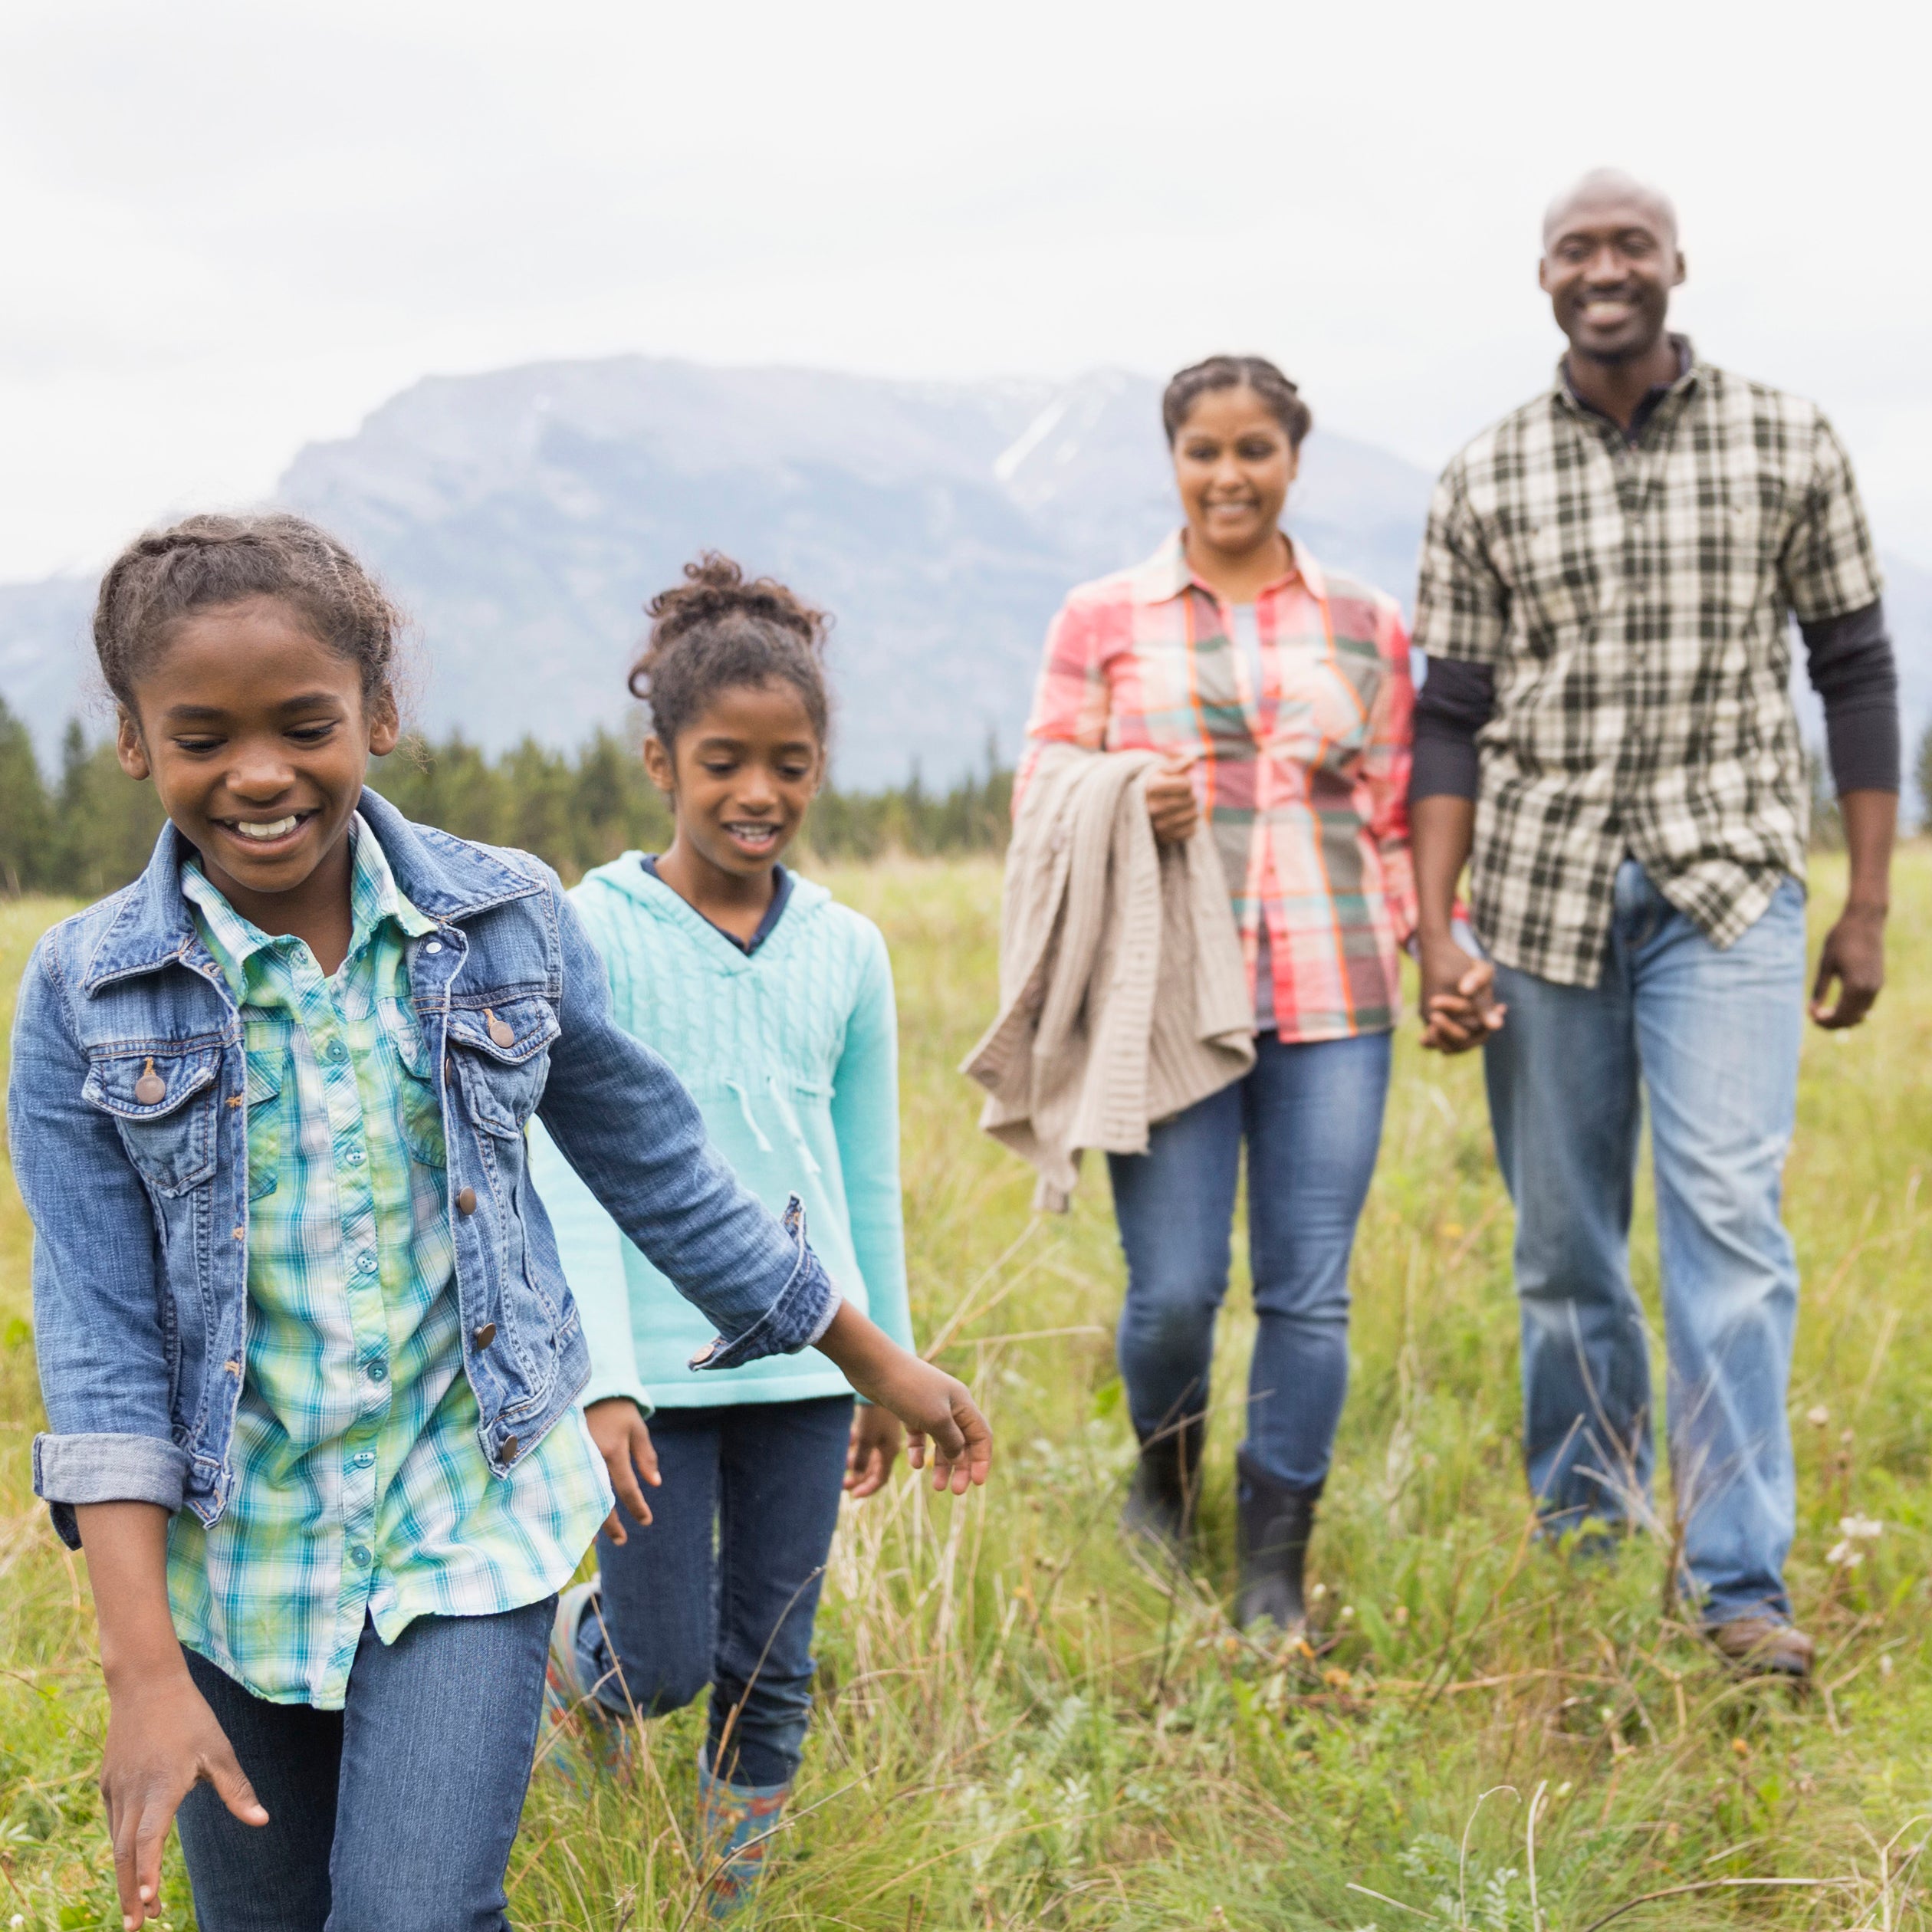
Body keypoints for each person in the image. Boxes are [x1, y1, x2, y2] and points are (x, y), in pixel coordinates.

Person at [7, 514, 992, 1932]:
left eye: (306, 724)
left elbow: (660, 1166)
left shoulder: (504, 921)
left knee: (409, 1914)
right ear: (133, 739)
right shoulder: (85, 990)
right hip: (236, 1557)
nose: (262, 774)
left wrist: (865, 1352)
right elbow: (98, 1333)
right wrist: (140, 1668)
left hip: (463, 1515)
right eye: (203, 735)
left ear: (380, 714)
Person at [1409, 170, 1899, 1680]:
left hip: (1730, 892)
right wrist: (1435, 929)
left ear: (1676, 264)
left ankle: (1740, 1591)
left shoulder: (1787, 437)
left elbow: (1859, 670)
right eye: (1578, 248)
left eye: (1631, 245)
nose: (1605, 268)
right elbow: (1446, 718)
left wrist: (1871, 901)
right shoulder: (1485, 472)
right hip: (1543, 900)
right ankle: (1590, 1551)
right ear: (1543, 276)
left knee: (1730, 1232)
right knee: (1564, 1255)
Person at [528, 554, 918, 1917]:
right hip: (654, 1379)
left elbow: (867, 1178)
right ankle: (571, 1672)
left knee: (774, 1659)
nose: (760, 794)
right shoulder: (590, 930)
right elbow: (562, 1163)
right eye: (724, 763)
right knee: (666, 1658)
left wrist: (884, 1365)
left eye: (791, 765)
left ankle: (722, 1902)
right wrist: (603, 1375)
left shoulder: (849, 949)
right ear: (661, 760)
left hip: (810, 1372)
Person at [1020, 356, 1415, 1634]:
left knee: (1309, 1290)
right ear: (1173, 460)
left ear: (1293, 456)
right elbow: (1042, 795)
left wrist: (1432, 947)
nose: (1229, 474)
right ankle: (1165, 1473)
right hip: (1167, 996)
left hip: (1332, 986)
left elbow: (1397, 812)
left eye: (1255, 449)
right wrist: (1129, 785)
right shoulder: (1104, 616)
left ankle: (1271, 1566)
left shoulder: (1364, 622)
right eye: (1204, 451)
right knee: (1175, 1287)